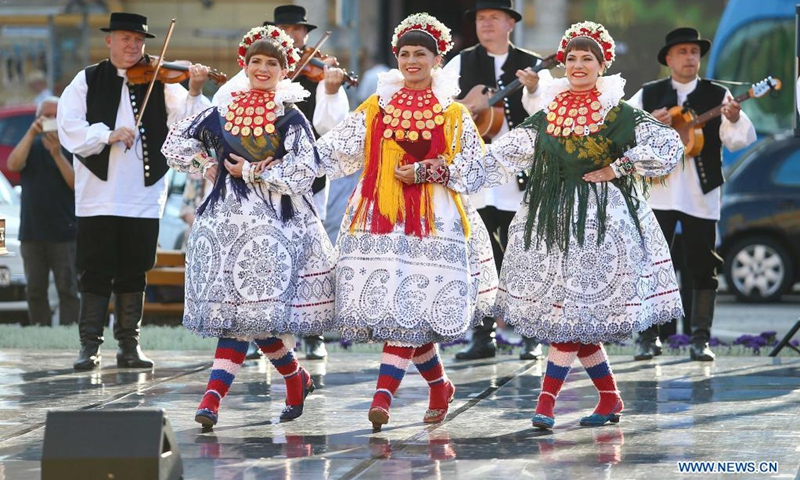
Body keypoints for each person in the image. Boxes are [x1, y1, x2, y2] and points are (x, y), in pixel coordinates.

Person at [432, 21, 683, 428]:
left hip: (603, 225)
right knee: (573, 317)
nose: (578, 65)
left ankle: (546, 404)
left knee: (573, 317)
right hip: (552, 222)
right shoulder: (549, 115)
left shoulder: (618, 113)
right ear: (563, 66)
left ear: (602, 66)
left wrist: (617, 167)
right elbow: (500, 156)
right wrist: (446, 170)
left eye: (587, 59)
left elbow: (668, 145)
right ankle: (609, 399)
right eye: (571, 59)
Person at [315, 13, 497, 431]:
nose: (412, 60)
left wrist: (431, 171)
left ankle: (383, 395)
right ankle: (439, 386)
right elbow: (333, 152)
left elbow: (475, 168)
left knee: (412, 306)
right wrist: (278, 158)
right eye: (404, 53)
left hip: (435, 221)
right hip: (379, 217)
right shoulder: (375, 107)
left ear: (437, 59)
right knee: (400, 308)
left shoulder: (452, 113)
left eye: (421, 54)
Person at [162, 26, 335, 427]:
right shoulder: (223, 110)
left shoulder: (289, 117)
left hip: (274, 224)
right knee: (240, 316)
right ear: (244, 64)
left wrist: (254, 171)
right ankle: (295, 378)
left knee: (251, 315)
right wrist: (204, 164)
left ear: (283, 69)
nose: (262, 68)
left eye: (271, 63)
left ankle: (212, 400)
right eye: (255, 61)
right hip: (226, 223)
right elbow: (174, 146)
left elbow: (305, 172)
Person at [57, 12, 212, 370]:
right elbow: (68, 127)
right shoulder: (87, 79)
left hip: (143, 195)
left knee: (134, 270)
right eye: (125, 39)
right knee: (95, 270)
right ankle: (89, 346)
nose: (133, 46)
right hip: (97, 195)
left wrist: (195, 90)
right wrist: (105, 134)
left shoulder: (161, 80)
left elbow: (186, 127)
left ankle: (129, 346)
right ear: (108, 41)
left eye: (139, 41)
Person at [212, 5, 350, 361]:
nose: (291, 35)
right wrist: (212, 164)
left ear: (304, 36)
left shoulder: (320, 75)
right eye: (283, 28)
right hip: (251, 192)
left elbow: (331, 129)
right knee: (262, 260)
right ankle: (264, 333)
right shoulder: (243, 81)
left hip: (303, 185)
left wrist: (332, 91)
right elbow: (217, 122)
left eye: (297, 30)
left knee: (305, 259)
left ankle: (312, 332)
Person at [628, 28, 756, 362]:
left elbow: (737, 140)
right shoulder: (648, 94)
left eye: (694, 52)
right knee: (652, 263)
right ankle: (648, 337)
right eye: (682, 51)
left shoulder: (718, 94)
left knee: (703, 264)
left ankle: (701, 339)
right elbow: (622, 129)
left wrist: (736, 116)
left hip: (701, 193)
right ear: (668, 58)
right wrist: (647, 123)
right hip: (658, 193)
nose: (689, 57)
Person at [443, 0, 551, 361]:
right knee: (480, 253)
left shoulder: (534, 64)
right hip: (478, 175)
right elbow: (443, 106)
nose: (485, 24)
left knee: (527, 252)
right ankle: (483, 335)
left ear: (510, 23)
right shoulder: (460, 61)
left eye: (494, 17)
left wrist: (533, 90)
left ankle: (531, 333)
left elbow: (547, 114)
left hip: (520, 174)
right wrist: (465, 109)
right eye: (480, 18)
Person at [7, 96, 79, 327]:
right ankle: (40, 331)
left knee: (67, 288)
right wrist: (30, 133)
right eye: (47, 115)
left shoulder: (73, 148)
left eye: (56, 115)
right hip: (32, 231)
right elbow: (13, 165)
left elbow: (76, 184)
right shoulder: (30, 147)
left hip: (64, 232)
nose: (51, 120)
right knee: (35, 290)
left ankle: (69, 333)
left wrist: (57, 154)